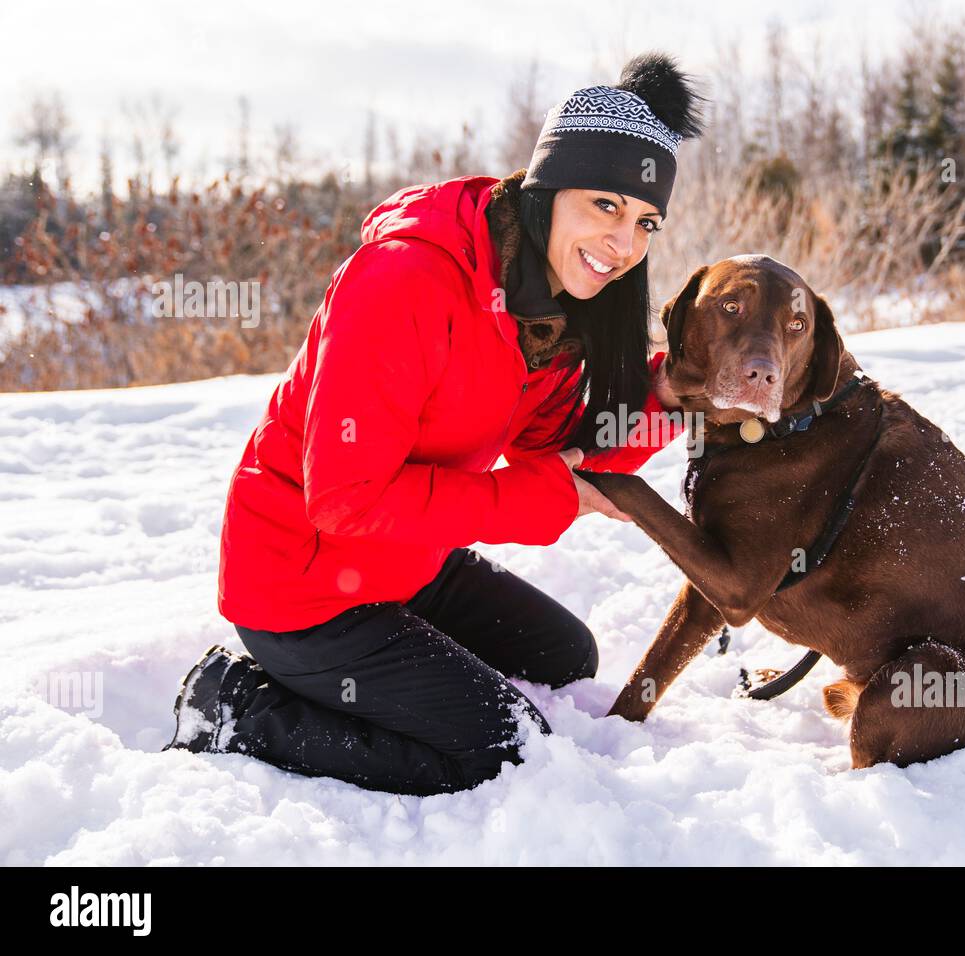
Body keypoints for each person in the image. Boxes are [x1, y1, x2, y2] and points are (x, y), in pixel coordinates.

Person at [162, 52, 707, 796]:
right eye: (605, 205)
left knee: (565, 657)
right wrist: (546, 499)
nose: (625, 243)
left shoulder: (541, 304)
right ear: (548, 187)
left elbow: (555, 447)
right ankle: (237, 706)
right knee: (506, 750)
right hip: (304, 587)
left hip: (404, 559)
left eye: (646, 220)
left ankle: (401, 665)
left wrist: (674, 394)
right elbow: (344, 499)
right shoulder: (406, 280)